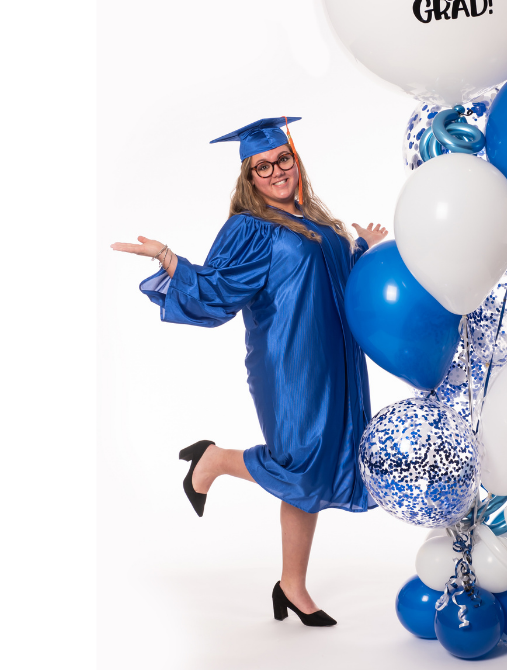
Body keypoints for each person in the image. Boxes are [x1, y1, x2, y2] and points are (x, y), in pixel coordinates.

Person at [111, 117, 388, 627]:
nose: (277, 171)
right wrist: (169, 258)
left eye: (284, 159)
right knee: (301, 465)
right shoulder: (249, 228)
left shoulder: (316, 220)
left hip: (337, 357)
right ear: (249, 177)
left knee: (317, 471)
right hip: (290, 363)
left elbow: (335, 283)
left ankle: (292, 587)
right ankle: (212, 460)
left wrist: (360, 249)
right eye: (264, 166)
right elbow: (215, 290)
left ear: (295, 160)